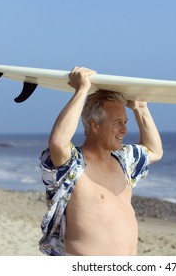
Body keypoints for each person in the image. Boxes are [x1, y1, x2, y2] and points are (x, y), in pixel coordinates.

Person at [38, 67, 163, 256]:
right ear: (94, 125)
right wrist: (81, 90)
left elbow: (155, 151)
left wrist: (141, 108)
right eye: (117, 123)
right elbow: (58, 142)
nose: (124, 130)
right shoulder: (73, 166)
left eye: (125, 122)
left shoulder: (124, 161)